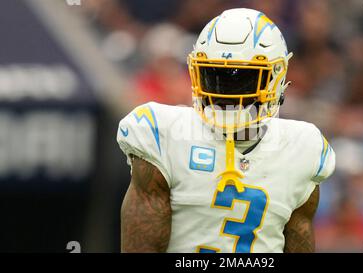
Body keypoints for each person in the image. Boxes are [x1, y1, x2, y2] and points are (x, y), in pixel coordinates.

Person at [117, 8, 335, 253]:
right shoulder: (164, 134)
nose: (227, 94)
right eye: (215, 76)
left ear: (276, 78)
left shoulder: (301, 147)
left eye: (243, 79)